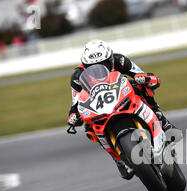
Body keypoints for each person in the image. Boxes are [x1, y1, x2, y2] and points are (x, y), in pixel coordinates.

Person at [67, 39, 175, 180]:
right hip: (98, 104)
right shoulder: (77, 76)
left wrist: (146, 78)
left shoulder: (120, 60)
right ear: (85, 65)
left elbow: (140, 74)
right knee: (89, 126)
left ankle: (161, 119)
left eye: (103, 64)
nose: (99, 68)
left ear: (110, 58)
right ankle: (118, 159)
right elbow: (76, 102)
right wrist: (73, 115)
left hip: (121, 92)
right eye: (92, 66)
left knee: (141, 87)